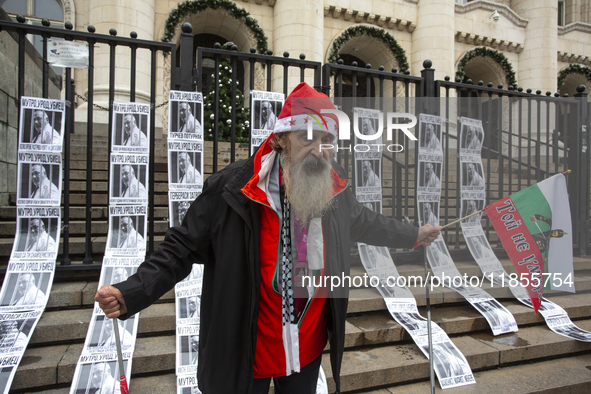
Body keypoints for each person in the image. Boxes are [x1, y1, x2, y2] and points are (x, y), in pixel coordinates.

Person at [95, 82, 441, 394]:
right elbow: (180, 247)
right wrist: (131, 292)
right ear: (280, 138)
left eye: (327, 141)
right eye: (308, 138)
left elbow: (366, 222)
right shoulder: (232, 188)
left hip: (306, 343)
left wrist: (414, 234)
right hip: (248, 346)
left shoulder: (334, 187)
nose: (320, 151)